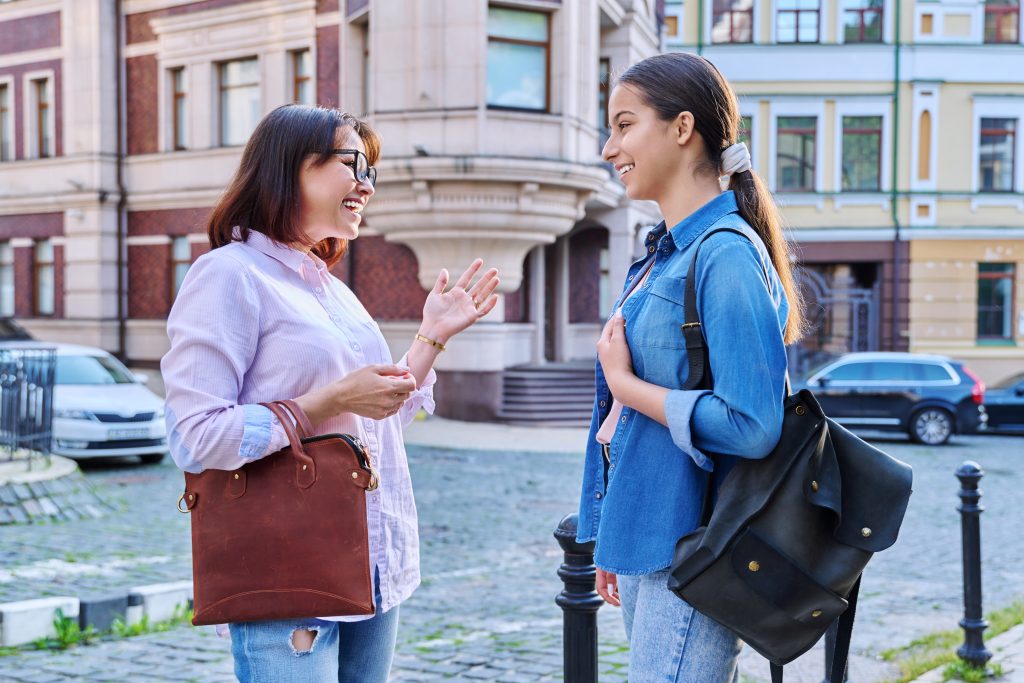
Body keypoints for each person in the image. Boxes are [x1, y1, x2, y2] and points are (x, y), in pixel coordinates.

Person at [161, 104, 500, 683]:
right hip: (288, 568)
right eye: (353, 163)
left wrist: (431, 338)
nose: (367, 183)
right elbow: (195, 438)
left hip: (374, 561)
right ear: (291, 166)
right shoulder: (229, 274)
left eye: (372, 169)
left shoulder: (331, 290)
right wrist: (319, 403)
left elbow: (372, 418)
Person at [576, 53, 805, 682]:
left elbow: (752, 424)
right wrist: (610, 526)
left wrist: (628, 384)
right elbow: (624, 424)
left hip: (698, 546)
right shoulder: (664, 255)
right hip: (651, 536)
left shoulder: (724, 255)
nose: (608, 147)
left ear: (682, 128)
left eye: (624, 125)